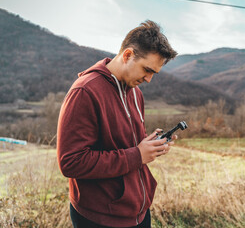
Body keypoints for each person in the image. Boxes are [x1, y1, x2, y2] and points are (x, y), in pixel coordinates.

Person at [57, 20, 177, 228]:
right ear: (128, 55)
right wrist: (137, 155)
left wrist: (151, 144)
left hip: (137, 211)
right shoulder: (85, 92)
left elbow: (123, 142)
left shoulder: (135, 92)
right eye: (146, 70)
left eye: (154, 73)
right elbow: (71, 162)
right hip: (100, 217)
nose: (149, 79)